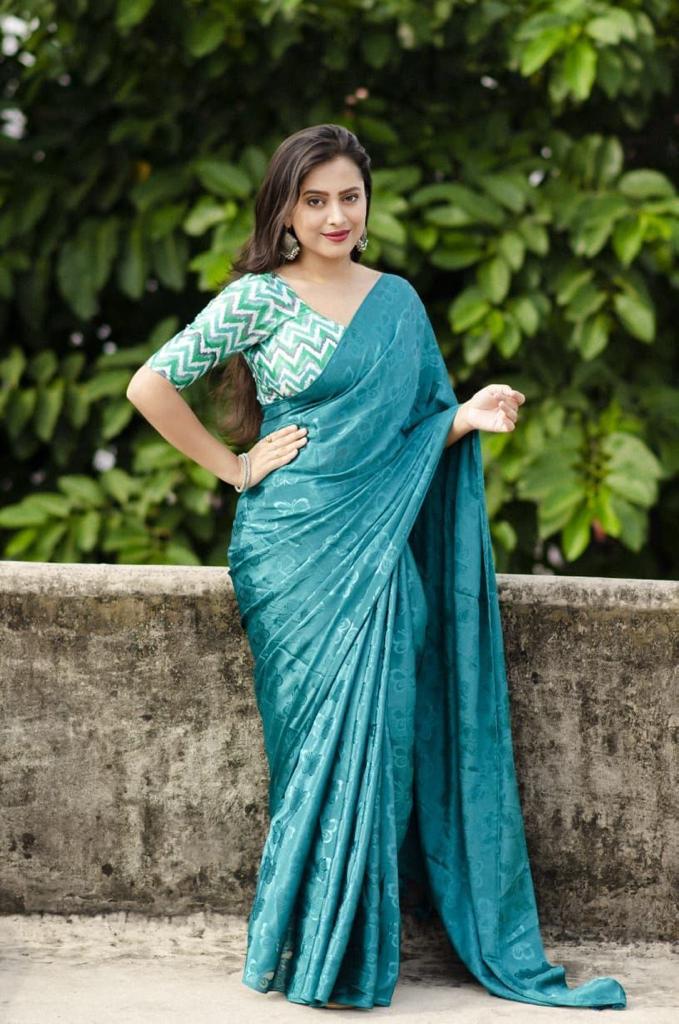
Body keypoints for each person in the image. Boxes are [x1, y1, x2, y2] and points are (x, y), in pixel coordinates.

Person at [126, 124, 627, 1012]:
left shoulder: (395, 302)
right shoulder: (256, 301)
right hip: (290, 554)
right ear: (284, 207)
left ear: (367, 203)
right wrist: (235, 467)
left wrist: (464, 416)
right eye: (313, 198)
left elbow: (411, 431)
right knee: (309, 749)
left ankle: (348, 951)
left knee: (381, 739)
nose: (333, 214)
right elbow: (150, 385)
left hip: (379, 554)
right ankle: (310, 948)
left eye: (347, 197)